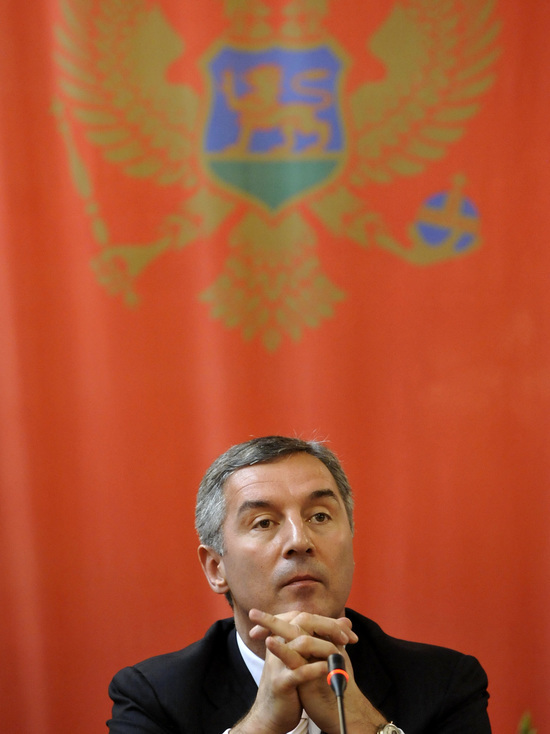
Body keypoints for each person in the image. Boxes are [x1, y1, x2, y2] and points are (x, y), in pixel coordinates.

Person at [107, 435, 491, 733]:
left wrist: (360, 722)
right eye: (264, 522)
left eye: (319, 516)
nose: (299, 540)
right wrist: (262, 724)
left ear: (351, 541)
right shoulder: (153, 696)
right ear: (215, 568)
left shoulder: (445, 683)